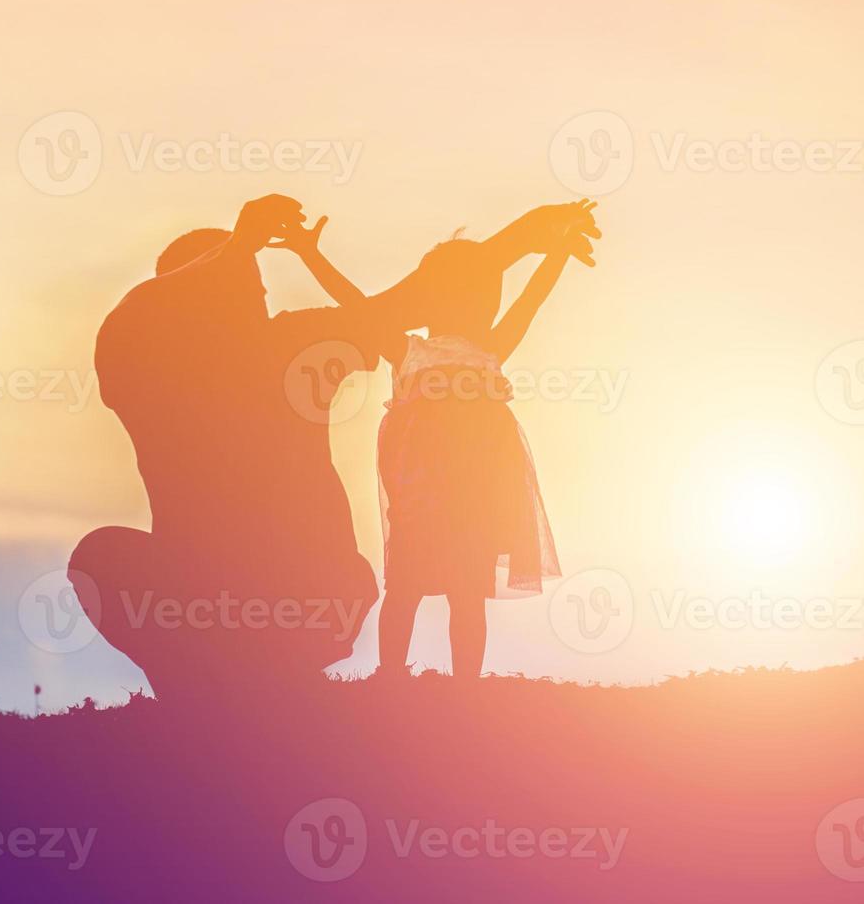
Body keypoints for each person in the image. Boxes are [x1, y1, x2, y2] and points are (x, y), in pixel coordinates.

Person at [68, 194, 426, 702]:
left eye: (254, 284)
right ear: (184, 300)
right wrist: (238, 245)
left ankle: (268, 683)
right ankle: (202, 692)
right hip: (201, 595)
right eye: (232, 283)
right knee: (100, 557)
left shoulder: (293, 344)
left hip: (310, 588)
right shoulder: (144, 369)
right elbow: (138, 314)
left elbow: (393, 312)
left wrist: (519, 245)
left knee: (343, 581)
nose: (255, 296)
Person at [292, 200, 603, 679]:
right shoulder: (409, 348)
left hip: (477, 487)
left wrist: (558, 253)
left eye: (478, 293)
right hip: (420, 488)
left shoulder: (490, 348)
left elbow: (532, 300)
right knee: (407, 585)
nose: (469, 302)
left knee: (466, 589)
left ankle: (465, 687)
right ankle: (392, 675)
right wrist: (308, 254)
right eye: (453, 292)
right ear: (429, 300)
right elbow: (357, 303)